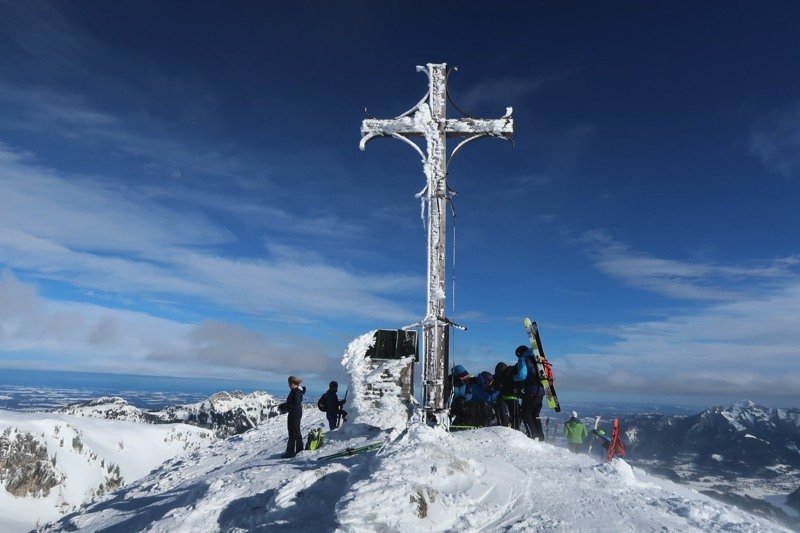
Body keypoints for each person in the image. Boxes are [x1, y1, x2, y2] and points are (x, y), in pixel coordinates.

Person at [512, 345, 546, 441]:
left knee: (526, 413)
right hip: (541, 391)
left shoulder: (523, 359)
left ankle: (533, 436)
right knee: (535, 414)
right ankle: (541, 437)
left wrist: (514, 378)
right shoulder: (536, 357)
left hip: (531, 390)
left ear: (519, 353)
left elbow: (522, 375)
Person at [279, 375, 306, 458]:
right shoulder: (294, 390)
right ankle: (291, 451)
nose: (288, 385)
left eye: (289, 383)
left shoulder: (296, 392)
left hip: (295, 413)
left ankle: (297, 451)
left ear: (293, 383)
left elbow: (296, 404)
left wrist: (285, 405)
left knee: (295, 431)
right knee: (292, 431)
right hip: (293, 413)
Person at [493, 361, 521, 429]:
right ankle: (516, 431)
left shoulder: (501, 375)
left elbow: (497, 386)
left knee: (505, 417)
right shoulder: (511, 372)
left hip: (505, 398)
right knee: (517, 417)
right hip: (515, 397)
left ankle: (508, 429)